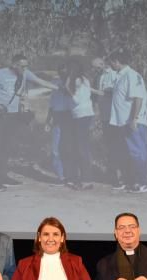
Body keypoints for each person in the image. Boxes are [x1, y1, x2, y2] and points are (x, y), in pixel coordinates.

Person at [0, 54, 58, 191]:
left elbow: (41, 82)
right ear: (14, 64)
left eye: (26, 66)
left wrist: (60, 88)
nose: (25, 68)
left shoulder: (25, 73)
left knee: (7, 146)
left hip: (14, 116)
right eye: (22, 65)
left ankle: (2, 176)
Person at [109, 50, 147, 193]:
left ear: (117, 61)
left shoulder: (131, 75)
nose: (111, 64)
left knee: (138, 151)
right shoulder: (121, 76)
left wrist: (134, 118)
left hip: (132, 121)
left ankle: (142, 183)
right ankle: (133, 181)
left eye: (112, 62)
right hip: (123, 121)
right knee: (130, 152)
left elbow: (138, 98)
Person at [91, 56, 124, 189]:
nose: (95, 69)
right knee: (110, 145)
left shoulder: (114, 74)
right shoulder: (98, 77)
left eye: (96, 66)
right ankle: (112, 175)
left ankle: (119, 176)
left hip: (115, 116)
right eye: (93, 67)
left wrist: (103, 92)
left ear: (102, 64)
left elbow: (117, 91)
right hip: (105, 115)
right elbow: (95, 97)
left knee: (117, 145)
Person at [63, 59, 95, 190]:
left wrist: (67, 89)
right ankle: (78, 178)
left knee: (81, 148)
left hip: (81, 116)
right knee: (79, 147)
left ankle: (85, 179)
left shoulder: (77, 81)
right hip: (82, 116)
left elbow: (76, 100)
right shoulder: (84, 80)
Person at [44, 63, 71, 186]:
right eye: (61, 71)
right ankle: (61, 177)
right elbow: (52, 104)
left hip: (70, 117)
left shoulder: (74, 83)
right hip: (56, 117)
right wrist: (48, 120)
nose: (63, 74)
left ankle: (71, 175)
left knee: (69, 147)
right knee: (56, 149)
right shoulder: (55, 84)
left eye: (65, 72)